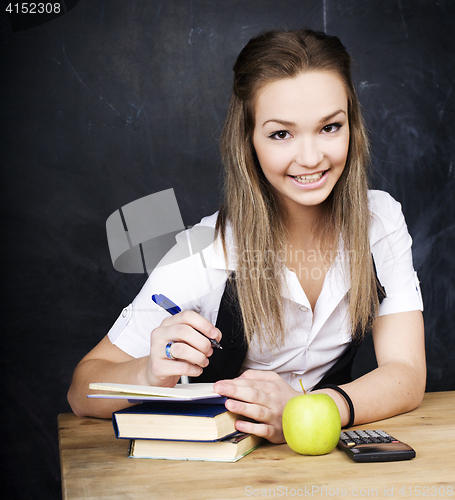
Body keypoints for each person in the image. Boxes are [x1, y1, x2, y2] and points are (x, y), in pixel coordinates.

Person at [67, 29, 426, 444]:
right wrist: (149, 371)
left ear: (352, 125)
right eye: (281, 134)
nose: (311, 158)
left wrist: (310, 410)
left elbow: (407, 372)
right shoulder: (204, 251)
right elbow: (83, 390)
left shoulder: (379, 219)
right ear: (248, 141)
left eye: (330, 127)